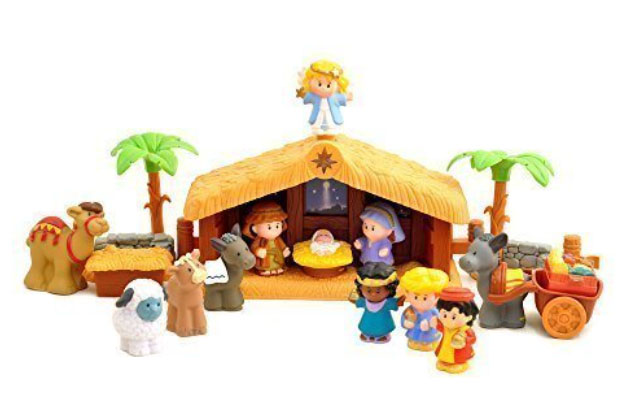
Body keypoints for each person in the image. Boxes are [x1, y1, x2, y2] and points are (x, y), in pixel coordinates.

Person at [352, 262, 404, 343]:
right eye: (368, 290)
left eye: (378, 291)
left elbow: (396, 303)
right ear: (361, 288)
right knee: (366, 327)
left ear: (389, 290)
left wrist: (402, 299)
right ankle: (366, 334)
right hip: (366, 323)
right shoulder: (364, 301)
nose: (373, 294)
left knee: (382, 329)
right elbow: (357, 302)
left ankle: (381, 336)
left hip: (383, 325)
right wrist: (353, 298)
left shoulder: (387, 303)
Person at [297, 60, 353, 135]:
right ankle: (316, 128)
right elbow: (306, 96)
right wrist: (301, 94)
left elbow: (342, 98)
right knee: (318, 119)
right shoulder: (314, 97)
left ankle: (332, 128)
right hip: (318, 111)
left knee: (330, 119)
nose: (323, 88)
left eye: (328, 85)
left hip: (330, 112)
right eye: (319, 84)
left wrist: (347, 97)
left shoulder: (335, 97)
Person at [400, 267, 449, 351]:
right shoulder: (410, 310)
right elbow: (404, 318)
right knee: (414, 340)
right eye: (415, 297)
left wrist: (431, 324)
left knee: (428, 341)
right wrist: (405, 323)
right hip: (414, 332)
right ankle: (414, 342)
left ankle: (427, 343)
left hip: (429, 334)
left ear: (437, 297)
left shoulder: (434, 311)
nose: (419, 301)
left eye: (425, 298)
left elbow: (440, 322)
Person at [435, 287, 479, 374]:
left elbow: (473, 339)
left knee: (458, 358)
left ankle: (459, 363)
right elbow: (440, 329)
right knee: (444, 354)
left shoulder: (465, 330)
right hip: (445, 348)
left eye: (453, 317)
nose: (448, 320)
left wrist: (464, 340)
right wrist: (435, 324)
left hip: (459, 352)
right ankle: (444, 361)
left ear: (468, 317)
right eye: (444, 315)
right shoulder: (445, 326)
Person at [242, 201, 290, 276]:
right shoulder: (259, 240)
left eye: (277, 226)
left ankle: (277, 268)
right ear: (255, 228)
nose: (274, 230)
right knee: (264, 263)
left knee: (277, 262)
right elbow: (254, 247)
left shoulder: (278, 239)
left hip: (277, 258)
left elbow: (282, 246)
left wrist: (284, 251)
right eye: (269, 227)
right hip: (264, 260)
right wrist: (257, 251)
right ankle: (265, 270)